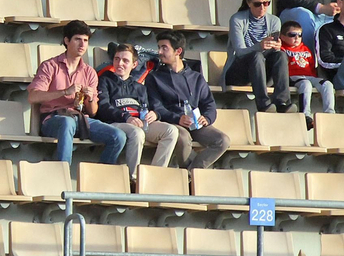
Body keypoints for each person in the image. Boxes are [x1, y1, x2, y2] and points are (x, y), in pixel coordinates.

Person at [29, 20, 126, 165]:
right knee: (67, 123)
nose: (82, 45)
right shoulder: (50, 66)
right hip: (54, 118)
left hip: (80, 119)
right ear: (66, 41)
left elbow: (93, 112)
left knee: (118, 136)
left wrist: (90, 98)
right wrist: (64, 92)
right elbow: (33, 97)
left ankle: (102, 174)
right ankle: (63, 172)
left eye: (85, 40)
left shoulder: (89, 72)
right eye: (77, 39)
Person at [146, 32, 230, 170]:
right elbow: (156, 107)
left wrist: (207, 118)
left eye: (164, 48)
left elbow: (208, 103)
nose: (159, 52)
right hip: (172, 122)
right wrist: (177, 118)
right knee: (183, 138)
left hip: (195, 123)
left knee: (222, 140)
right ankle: (192, 176)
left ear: (178, 51)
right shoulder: (154, 77)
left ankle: (190, 174)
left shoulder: (196, 77)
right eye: (159, 47)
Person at [94, 42, 180, 175]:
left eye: (125, 60)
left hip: (140, 122)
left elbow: (149, 107)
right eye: (117, 59)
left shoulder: (139, 87)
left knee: (171, 131)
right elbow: (103, 107)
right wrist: (126, 117)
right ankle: (133, 178)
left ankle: (155, 174)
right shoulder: (104, 80)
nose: (120, 63)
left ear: (134, 65)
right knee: (137, 133)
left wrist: (155, 114)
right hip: (116, 123)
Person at [225, 0, 291, 112]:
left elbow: (272, 54)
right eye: (257, 4)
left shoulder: (274, 21)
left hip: (262, 71)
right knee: (256, 55)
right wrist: (259, 46)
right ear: (248, 3)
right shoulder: (237, 19)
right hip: (239, 71)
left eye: (266, 3)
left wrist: (276, 47)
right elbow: (239, 52)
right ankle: (263, 104)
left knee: (281, 55)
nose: (262, 8)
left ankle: (282, 101)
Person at [278, 19, 334, 116]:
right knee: (306, 84)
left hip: (309, 76)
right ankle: (305, 114)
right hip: (293, 76)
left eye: (299, 35)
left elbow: (312, 65)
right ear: (283, 37)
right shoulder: (282, 49)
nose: (296, 37)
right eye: (292, 35)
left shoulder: (306, 49)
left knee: (327, 84)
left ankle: (330, 113)